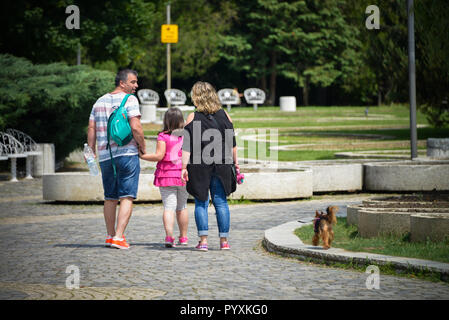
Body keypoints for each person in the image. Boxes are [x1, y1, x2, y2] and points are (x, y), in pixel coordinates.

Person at [87, 69, 146, 250]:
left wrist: (91, 150)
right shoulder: (130, 100)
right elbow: (135, 127)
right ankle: (119, 237)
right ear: (122, 83)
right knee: (127, 196)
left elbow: (91, 127)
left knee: (110, 197)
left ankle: (110, 235)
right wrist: (142, 146)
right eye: (133, 82)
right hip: (127, 154)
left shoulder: (99, 102)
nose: (136, 86)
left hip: (106, 156)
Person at [181, 81, 239, 251]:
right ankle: (224, 242)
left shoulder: (192, 117)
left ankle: (203, 241)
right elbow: (232, 144)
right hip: (222, 163)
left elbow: (187, 146)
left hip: (199, 164)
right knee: (221, 202)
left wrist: (183, 167)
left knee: (201, 202)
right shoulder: (225, 115)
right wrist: (236, 164)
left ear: (196, 97)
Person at [139, 107, 189, 248]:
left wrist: (143, 156)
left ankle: (169, 237)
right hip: (183, 175)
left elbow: (159, 156)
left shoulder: (163, 136)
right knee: (182, 207)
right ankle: (184, 237)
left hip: (166, 175)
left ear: (166, 121)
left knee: (169, 207)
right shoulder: (187, 136)